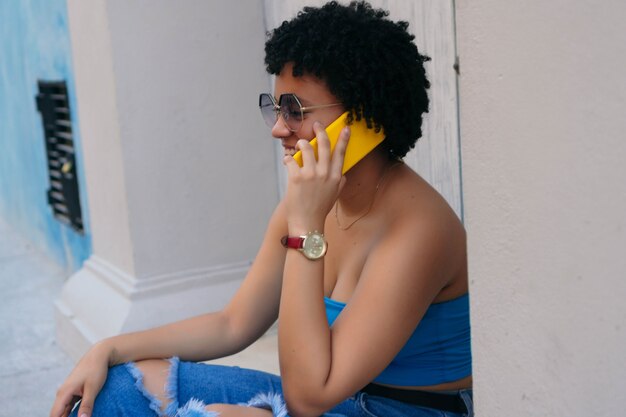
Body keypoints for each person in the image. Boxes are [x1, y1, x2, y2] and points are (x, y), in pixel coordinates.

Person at [50, 2, 472, 416]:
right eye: (275, 108)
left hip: (402, 409)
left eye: (294, 110)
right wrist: (108, 348)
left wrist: (307, 227)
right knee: (117, 389)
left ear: (362, 117)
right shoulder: (308, 201)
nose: (278, 128)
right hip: (330, 399)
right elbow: (234, 323)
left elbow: (308, 397)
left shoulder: (419, 229)